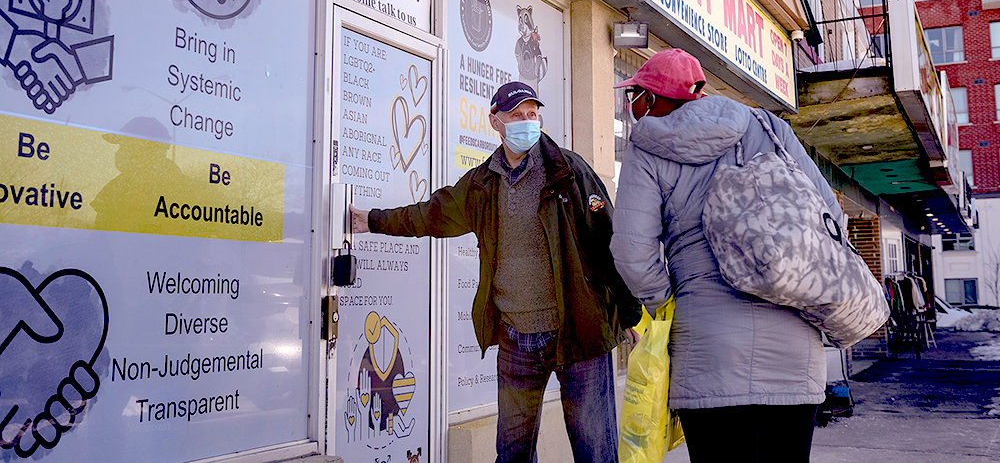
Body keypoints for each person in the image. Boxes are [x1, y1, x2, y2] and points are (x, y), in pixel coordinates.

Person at [350, 81, 640, 463]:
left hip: (578, 334)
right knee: (512, 453)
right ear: (495, 122)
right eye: (517, 116)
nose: (527, 122)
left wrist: (628, 310)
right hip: (517, 342)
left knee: (595, 452)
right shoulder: (483, 184)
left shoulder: (567, 171)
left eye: (533, 114)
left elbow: (607, 240)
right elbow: (430, 215)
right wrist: (371, 221)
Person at [610, 49, 842, 463]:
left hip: (709, 349)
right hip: (794, 345)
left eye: (637, 96)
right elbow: (830, 216)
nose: (633, 107)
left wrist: (669, 304)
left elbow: (631, 252)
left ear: (658, 99)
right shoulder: (769, 128)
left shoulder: (646, 149)